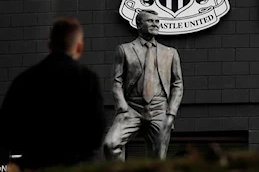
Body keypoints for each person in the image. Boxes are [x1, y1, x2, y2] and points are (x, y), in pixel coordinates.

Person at [0, 17, 106, 170]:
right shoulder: (87, 79)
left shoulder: (25, 80)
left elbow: (6, 130)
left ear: (50, 45)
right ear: (79, 47)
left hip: (35, 164)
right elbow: (97, 130)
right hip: (76, 165)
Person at [103, 10, 183, 160]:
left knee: (157, 160)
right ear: (139, 25)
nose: (155, 24)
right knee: (111, 144)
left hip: (159, 110)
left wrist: (171, 113)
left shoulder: (170, 53)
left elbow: (177, 84)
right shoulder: (125, 50)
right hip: (132, 108)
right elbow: (116, 81)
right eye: (150, 21)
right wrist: (122, 108)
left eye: (157, 21)